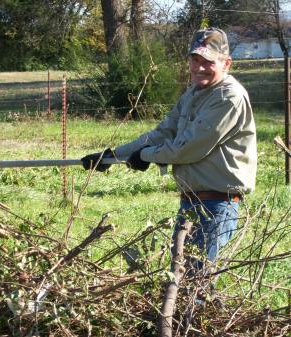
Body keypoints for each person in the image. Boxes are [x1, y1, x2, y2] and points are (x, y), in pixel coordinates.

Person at [81, 27, 257, 265]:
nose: (199, 67)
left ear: (226, 63)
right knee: (182, 275)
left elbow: (189, 148)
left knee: (194, 280)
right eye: (195, 60)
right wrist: (113, 155)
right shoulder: (194, 93)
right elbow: (163, 133)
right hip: (192, 201)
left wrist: (146, 156)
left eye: (208, 61)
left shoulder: (227, 97)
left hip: (217, 204)